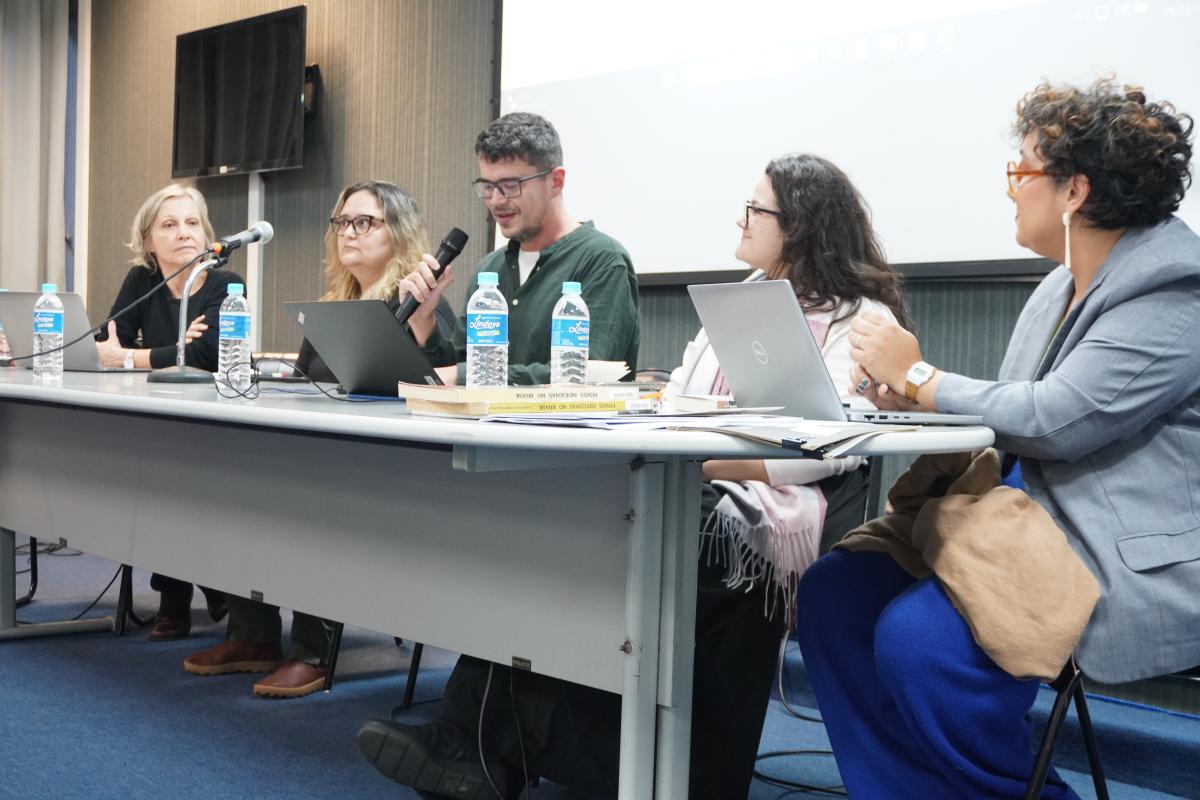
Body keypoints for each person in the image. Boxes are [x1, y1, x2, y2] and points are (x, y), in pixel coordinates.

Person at [355, 154, 911, 799]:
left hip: (756, 510)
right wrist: (667, 442)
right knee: (558, 526)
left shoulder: (860, 320)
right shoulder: (740, 301)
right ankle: (481, 742)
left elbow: (832, 444)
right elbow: (678, 398)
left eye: (756, 209)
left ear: (801, 225)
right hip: (696, 480)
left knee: (601, 538)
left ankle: (483, 745)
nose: (742, 219)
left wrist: (697, 459)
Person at [797, 77, 1200, 798]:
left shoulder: (1175, 288)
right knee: (836, 594)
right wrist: (907, 398)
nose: (1011, 189)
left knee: (922, 646)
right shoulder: (1059, 285)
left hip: (1108, 548)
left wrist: (918, 374)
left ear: (1074, 190)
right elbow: (1013, 417)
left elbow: (1060, 419)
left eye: (1021, 172)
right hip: (1021, 521)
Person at [183, 180, 455, 698]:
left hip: (391, 472)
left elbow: (440, 387)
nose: (348, 232)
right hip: (326, 454)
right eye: (342, 222)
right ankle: (252, 636)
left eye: (364, 222)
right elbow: (311, 384)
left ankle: (312, 652)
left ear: (398, 232)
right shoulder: (336, 305)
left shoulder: (424, 306)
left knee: (314, 497)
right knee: (234, 484)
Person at [397, 111, 640, 386]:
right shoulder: (491, 268)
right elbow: (453, 371)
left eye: (511, 186)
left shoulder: (602, 259)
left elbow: (591, 373)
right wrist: (423, 321)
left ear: (556, 182)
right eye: (487, 186)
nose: (496, 201)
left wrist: (462, 375)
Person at [97, 183, 241, 640]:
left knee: (175, 476)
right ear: (148, 241)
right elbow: (107, 342)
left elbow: (205, 355)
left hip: (219, 426)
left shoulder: (224, 284)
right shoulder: (142, 281)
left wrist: (134, 356)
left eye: (193, 222)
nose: (184, 233)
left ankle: (177, 600)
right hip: (160, 423)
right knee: (158, 474)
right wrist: (169, 351)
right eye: (170, 224)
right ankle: (202, 589)